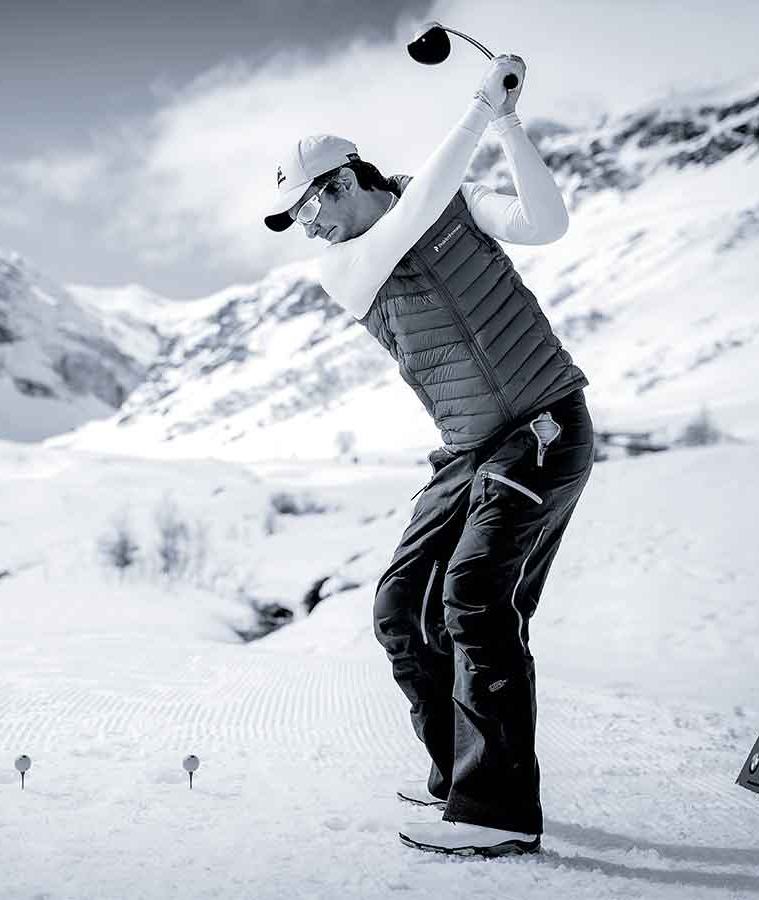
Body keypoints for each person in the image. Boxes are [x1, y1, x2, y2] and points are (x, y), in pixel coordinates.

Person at [262, 54, 594, 857]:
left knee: (476, 597)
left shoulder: (452, 201)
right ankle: (460, 774)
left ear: (339, 184)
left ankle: (499, 812)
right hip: (466, 450)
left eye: (305, 212)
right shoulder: (343, 268)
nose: (306, 231)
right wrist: (480, 109)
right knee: (400, 608)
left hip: (544, 426)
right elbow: (410, 219)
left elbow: (546, 223)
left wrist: (507, 123)